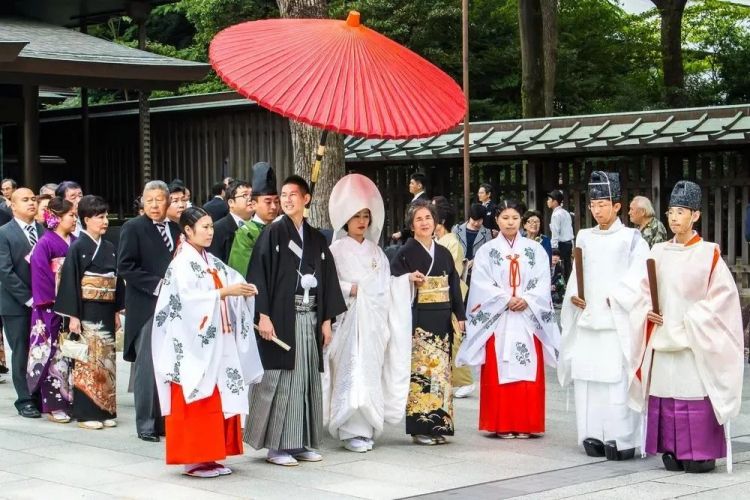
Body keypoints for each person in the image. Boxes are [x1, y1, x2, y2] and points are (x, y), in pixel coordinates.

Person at [611, 181, 743, 474]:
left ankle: (701, 453)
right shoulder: (658, 251)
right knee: (666, 394)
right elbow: (643, 291)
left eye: (681, 212)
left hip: (693, 341)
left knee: (692, 394)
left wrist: (693, 318)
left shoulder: (709, 254)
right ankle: (671, 450)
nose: (674, 218)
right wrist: (647, 311)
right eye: (671, 212)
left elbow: (723, 299)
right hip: (662, 338)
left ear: (695, 216)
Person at [152, 206, 264, 478]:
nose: (210, 232)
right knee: (199, 395)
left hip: (218, 341)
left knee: (221, 394)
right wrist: (225, 292)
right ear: (187, 231)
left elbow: (231, 279)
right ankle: (194, 458)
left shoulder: (210, 260)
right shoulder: (181, 263)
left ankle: (212, 456)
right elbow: (187, 302)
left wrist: (244, 290)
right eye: (204, 227)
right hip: (194, 344)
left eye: (211, 226)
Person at [244, 175, 347, 466]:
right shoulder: (273, 233)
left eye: (293, 194)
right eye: (283, 195)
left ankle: (300, 442)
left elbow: (328, 280)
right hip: (280, 318)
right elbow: (258, 274)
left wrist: (327, 319)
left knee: (305, 380)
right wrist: (262, 315)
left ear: (306, 199)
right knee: (280, 379)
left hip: (310, 316)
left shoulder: (316, 238)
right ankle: (277, 446)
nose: (286, 199)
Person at [558, 171, 649, 461]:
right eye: (593, 206)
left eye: (603, 205)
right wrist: (575, 296)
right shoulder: (584, 237)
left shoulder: (632, 239)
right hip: (588, 320)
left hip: (615, 321)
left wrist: (618, 298)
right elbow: (576, 276)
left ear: (617, 206)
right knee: (587, 378)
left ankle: (621, 438)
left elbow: (641, 277)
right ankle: (591, 433)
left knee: (615, 380)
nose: (597, 211)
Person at [457, 199, 559, 438]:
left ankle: (527, 423)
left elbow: (543, 280)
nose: (510, 222)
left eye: (514, 218)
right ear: (497, 220)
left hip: (526, 316)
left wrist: (527, 298)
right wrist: (505, 298)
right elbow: (481, 284)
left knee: (527, 368)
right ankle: (500, 423)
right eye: (505, 218)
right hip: (499, 318)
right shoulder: (486, 251)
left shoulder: (534, 250)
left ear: (521, 220)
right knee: (498, 368)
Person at [324, 174, 401, 453]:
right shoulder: (334, 250)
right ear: (345, 218)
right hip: (347, 320)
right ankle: (347, 428)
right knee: (349, 370)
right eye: (356, 215)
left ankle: (366, 426)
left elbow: (384, 287)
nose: (361, 221)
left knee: (368, 370)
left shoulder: (377, 252)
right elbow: (328, 284)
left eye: (366, 215)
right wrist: (350, 289)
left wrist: (401, 285)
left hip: (371, 324)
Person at [390, 200, 466, 445]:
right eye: (419, 219)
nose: (425, 223)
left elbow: (454, 285)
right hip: (419, 320)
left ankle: (439, 424)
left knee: (441, 375)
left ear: (436, 222)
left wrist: (460, 314)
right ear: (411, 225)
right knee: (422, 374)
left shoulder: (442, 252)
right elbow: (391, 283)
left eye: (428, 218)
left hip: (442, 318)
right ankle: (420, 427)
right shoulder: (405, 252)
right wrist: (408, 279)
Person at [118, 180, 180, 442]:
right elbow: (125, 266)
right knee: (147, 367)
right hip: (147, 306)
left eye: (159, 199)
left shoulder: (176, 229)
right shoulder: (133, 227)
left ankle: (165, 419)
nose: (154, 205)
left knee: (169, 364)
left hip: (174, 308)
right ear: (142, 202)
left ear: (168, 202)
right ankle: (146, 423)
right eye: (149, 200)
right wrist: (158, 285)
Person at [55, 195, 125, 429]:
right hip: (85, 309)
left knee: (107, 360)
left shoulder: (109, 247)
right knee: (87, 360)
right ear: (86, 220)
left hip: (106, 309)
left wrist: (116, 310)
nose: (105, 221)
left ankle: (105, 409)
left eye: (106, 216)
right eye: (100, 217)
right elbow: (70, 282)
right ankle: (86, 413)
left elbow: (116, 280)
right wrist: (73, 316)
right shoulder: (78, 247)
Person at [27, 197, 77, 424]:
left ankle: (73, 401)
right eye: (71, 215)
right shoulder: (45, 244)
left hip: (74, 307)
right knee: (53, 356)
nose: (75, 219)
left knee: (74, 355)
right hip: (52, 308)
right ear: (56, 218)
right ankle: (54, 404)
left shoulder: (76, 242)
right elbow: (40, 276)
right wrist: (57, 301)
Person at [0, 188, 44, 418]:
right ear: (12, 205)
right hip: (16, 305)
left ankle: (39, 394)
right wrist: (28, 298)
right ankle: (25, 399)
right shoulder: (4, 233)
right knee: (22, 350)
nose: (31, 203)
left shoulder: (43, 230)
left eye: (33, 200)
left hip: (43, 302)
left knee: (42, 349)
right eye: (25, 200)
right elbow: (4, 271)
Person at [432, 196, 474, 399]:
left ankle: (466, 380)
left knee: (455, 337)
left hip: (449, 292)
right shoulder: (438, 241)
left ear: (440, 220)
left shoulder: (451, 242)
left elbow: (454, 273)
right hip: (436, 293)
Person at [228, 162, 280, 276]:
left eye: (276, 201)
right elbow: (243, 272)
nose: (274, 207)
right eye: (268, 202)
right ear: (253, 204)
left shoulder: (282, 228)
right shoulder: (245, 233)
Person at [208, 180, 252, 264]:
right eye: (245, 195)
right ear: (231, 202)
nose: (250, 198)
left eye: (252, 195)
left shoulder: (260, 226)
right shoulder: (217, 229)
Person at [452, 203, 493, 285]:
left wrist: (474, 262)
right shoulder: (457, 230)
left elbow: (488, 254)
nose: (476, 223)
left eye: (479, 220)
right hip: (459, 272)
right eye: (474, 220)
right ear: (470, 217)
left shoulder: (487, 233)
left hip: (478, 274)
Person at [391, 172, 429, 243]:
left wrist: (402, 233)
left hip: (416, 238)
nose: (409, 185)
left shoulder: (421, 202)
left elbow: (415, 222)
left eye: (412, 183)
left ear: (419, 186)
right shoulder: (419, 199)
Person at [546, 189, 574, 280]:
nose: (548, 201)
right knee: (567, 269)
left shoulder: (556, 215)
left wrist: (553, 248)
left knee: (559, 270)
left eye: (549, 199)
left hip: (560, 245)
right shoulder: (565, 213)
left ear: (554, 201)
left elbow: (555, 233)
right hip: (569, 244)